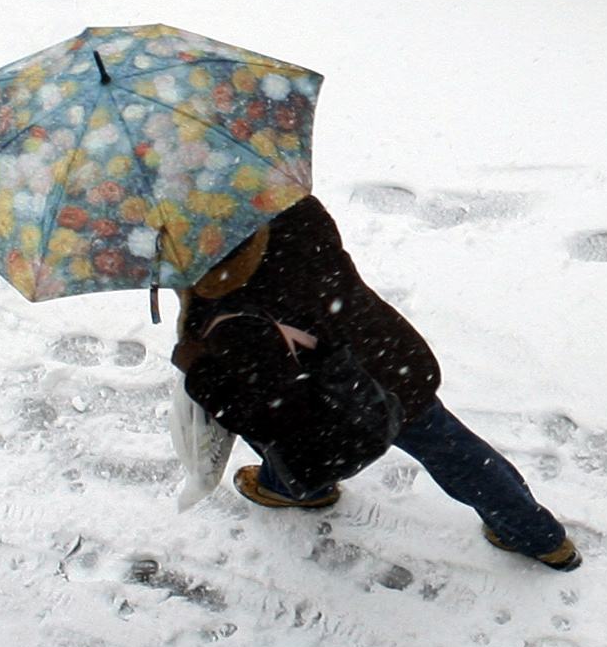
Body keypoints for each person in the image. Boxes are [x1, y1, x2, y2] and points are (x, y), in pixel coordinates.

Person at [171, 195, 579, 570]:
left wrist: (199, 368)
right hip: (384, 355)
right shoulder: (293, 211)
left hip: (329, 405)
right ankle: (537, 535)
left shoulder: (221, 310)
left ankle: (300, 490)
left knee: (286, 439)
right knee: (451, 448)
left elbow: (259, 411)